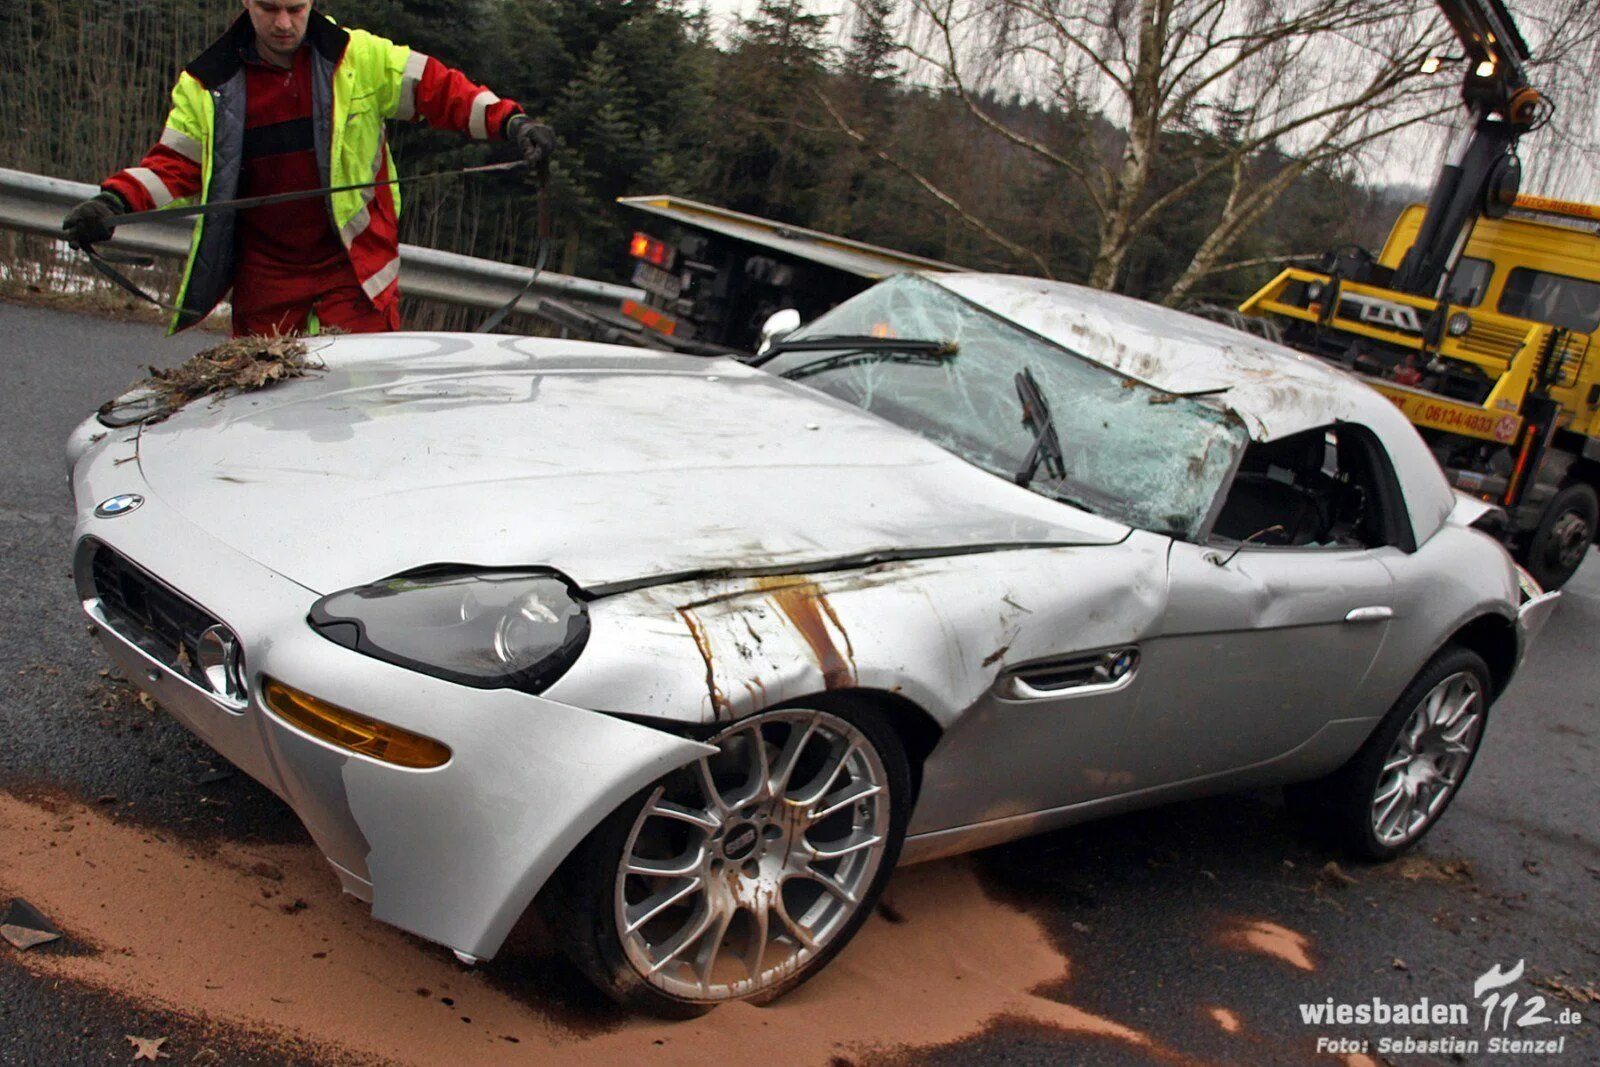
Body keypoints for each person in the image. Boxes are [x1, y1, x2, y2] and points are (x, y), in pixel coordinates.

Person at [61, 0, 555, 337]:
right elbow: (173, 166)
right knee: (268, 426)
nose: (283, 23)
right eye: (269, 8)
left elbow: (439, 90)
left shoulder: (359, 57)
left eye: (295, 8)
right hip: (266, 283)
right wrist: (113, 203)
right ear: (246, 4)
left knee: (360, 421)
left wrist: (512, 123)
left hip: (356, 275)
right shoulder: (207, 84)